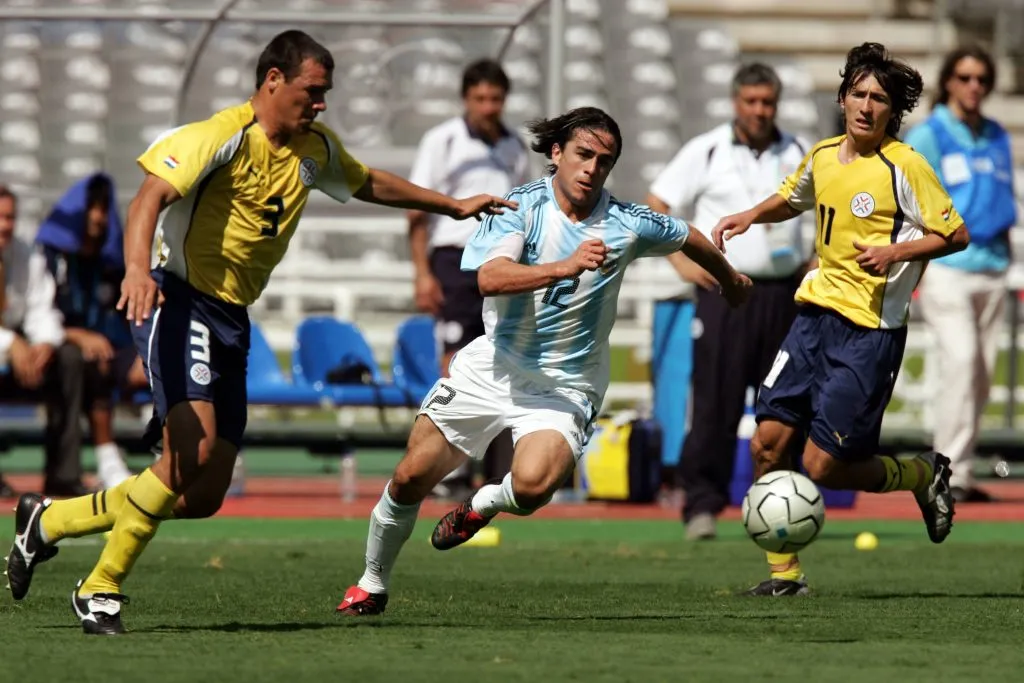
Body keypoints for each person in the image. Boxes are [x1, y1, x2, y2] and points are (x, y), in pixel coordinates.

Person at [3, 30, 515, 635]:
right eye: (312, 90)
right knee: (187, 454)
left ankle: (49, 522)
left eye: (325, 93)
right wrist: (138, 270)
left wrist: (450, 206)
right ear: (273, 80)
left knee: (202, 492)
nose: (321, 103)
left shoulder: (315, 149)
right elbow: (146, 200)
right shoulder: (219, 136)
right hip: (181, 301)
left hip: (232, 320)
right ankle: (101, 589)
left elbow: (367, 181)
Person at [336, 106, 753, 616]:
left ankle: (483, 503)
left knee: (531, 489)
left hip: (566, 384)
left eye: (604, 161)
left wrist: (728, 279)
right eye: (583, 155)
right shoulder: (519, 207)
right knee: (408, 478)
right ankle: (371, 582)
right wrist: (564, 266)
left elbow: (685, 232)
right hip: (494, 367)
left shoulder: (625, 221)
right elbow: (490, 278)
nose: (591, 170)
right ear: (556, 153)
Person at [710, 43, 969, 596]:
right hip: (812, 319)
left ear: (890, 112)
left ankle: (922, 474)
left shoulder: (906, 166)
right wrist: (749, 216)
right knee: (767, 444)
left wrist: (895, 253)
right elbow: (793, 196)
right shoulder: (824, 153)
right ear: (843, 97)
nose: (867, 106)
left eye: (879, 99)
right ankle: (784, 576)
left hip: (869, 333)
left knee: (823, 468)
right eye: (859, 93)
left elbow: (956, 234)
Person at [646, 63, 811, 541]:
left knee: (784, 404)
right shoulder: (707, 149)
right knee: (715, 401)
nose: (760, 111)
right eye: (751, 101)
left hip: (783, 294)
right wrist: (680, 263)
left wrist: (816, 257)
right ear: (735, 102)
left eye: (767, 102)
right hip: (722, 292)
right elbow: (657, 203)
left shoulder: (799, 149)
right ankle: (701, 505)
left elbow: (826, 207)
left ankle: (779, 505)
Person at [408, 58, 529, 499]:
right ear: (466, 99)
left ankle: (497, 474)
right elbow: (417, 211)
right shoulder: (442, 141)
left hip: (498, 262)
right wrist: (422, 273)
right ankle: (450, 471)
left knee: (503, 362)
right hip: (454, 260)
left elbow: (523, 210)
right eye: (480, 98)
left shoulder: (515, 146)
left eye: (495, 98)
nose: (488, 106)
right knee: (455, 366)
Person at [904, 46, 1014, 503]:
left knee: (983, 374)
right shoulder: (930, 134)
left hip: (992, 267)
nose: (974, 87)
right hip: (948, 267)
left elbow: (1000, 198)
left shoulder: (995, 135)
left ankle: (962, 471)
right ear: (949, 81)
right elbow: (906, 195)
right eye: (965, 77)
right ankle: (943, 473)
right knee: (962, 362)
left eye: (981, 79)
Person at [36, 173, 148, 490]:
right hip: (64, 344)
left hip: (110, 344)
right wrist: (77, 335)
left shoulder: (112, 260)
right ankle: (108, 459)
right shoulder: (49, 257)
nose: (98, 217)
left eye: (103, 208)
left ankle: (174, 459)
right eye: (91, 208)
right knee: (91, 362)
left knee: (155, 368)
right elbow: (39, 314)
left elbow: (125, 314)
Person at [0, 185, 88, 498]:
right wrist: (10, 342)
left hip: (21, 359)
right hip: (7, 348)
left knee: (69, 358)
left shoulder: (25, 255)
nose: (5, 225)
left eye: (9, 217)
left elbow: (42, 308)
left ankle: (63, 476)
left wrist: (44, 345)